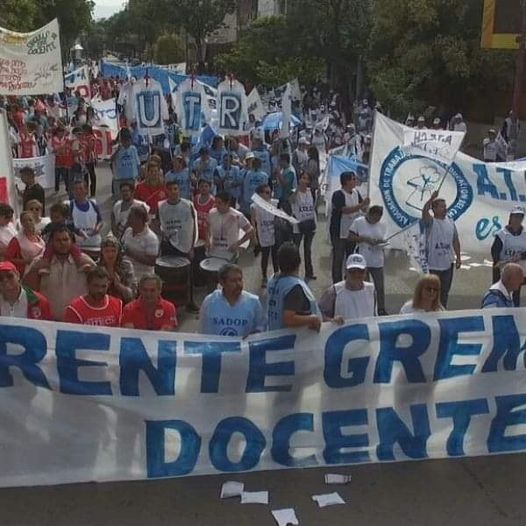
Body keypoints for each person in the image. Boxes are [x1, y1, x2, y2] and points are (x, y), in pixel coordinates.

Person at [24, 226, 95, 321]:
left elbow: (98, 286)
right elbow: (28, 290)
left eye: (65, 239)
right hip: (49, 322)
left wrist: (91, 271)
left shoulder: (85, 261)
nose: (62, 243)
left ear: (71, 241)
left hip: (79, 322)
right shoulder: (39, 262)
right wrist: (35, 269)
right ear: (51, 242)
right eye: (58, 240)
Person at [199, 263, 266, 337]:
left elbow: (261, 328)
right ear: (222, 282)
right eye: (233, 281)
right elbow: (204, 332)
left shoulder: (253, 302)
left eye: (240, 280)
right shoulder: (210, 302)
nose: (238, 284)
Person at [267, 242, 321, 331]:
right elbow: (289, 319)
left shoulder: (273, 279)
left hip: (274, 334)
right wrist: (313, 319)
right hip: (293, 341)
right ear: (299, 261)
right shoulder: (294, 287)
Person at [421, 190, 461, 308]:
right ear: (434, 209)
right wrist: (431, 198)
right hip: (433, 265)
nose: (445, 209)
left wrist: (458, 257)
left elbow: (455, 240)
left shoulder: (450, 222)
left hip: (447, 265)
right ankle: (428, 310)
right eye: (441, 207)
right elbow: (424, 211)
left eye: (445, 206)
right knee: (431, 292)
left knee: (444, 292)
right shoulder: (430, 222)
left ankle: (442, 311)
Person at [330, 171, 369, 283]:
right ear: (346, 181)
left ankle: (349, 280)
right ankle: (337, 283)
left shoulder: (356, 193)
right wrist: (361, 205)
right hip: (339, 232)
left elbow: (363, 209)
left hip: (352, 232)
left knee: (350, 258)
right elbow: (345, 210)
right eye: (353, 179)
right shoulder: (338, 194)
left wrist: (366, 206)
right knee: (338, 259)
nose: (355, 181)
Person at [349, 205, 387, 315]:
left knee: (379, 287)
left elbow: (384, 238)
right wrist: (364, 239)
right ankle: (366, 309)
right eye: (374, 218)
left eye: (378, 218)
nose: (376, 221)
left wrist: (380, 242)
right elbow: (350, 237)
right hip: (363, 259)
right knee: (365, 287)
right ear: (369, 215)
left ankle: (381, 309)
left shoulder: (383, 225)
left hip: (377, 260)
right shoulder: (359, 222)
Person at [319, 253, 376, 323]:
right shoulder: (334, 292)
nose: (356, 275)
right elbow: (318, 314)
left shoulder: (372, 290)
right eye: (352, 271)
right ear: (346, 271)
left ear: (365, 272)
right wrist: (331, 321)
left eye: (360, 271)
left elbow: (375, 317)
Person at [490, 205, 526, 306]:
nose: (517, 219)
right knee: (500, 293)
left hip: (519, 270)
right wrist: (497, 261)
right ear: (510, 217)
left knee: (515, 293)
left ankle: (513, 314)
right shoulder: (502, 234)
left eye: (520, 217)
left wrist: (521, 256)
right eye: (515, 216)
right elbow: (495, 251)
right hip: (503, 270)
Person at [207, 192, 254, 259]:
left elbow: (250, 231)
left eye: (219, 203)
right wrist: (208, 240)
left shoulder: (237, 216)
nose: (216, 205)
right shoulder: (212, 213)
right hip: (214, 252)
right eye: (215, 202)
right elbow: (207, 226)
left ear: (227, 203)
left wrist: (238, 244)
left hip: (230, 253)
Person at [121, 205, 159, 280]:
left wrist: (132, 253)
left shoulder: (151, 238)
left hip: (142, 278)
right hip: (127, 276)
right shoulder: (128, 231)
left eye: (130, 217)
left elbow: (152, 261)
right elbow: (122, 246)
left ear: (139, 219)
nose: (128, 219)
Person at [290, 172, 317, 281]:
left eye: (307, 179)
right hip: (298, 225)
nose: (304, 181)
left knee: (308, 250)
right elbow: (291, 200)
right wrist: (297, 189)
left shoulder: (311, 192)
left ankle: (309, 272)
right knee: (295, 249)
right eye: (302, 178)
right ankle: (293, 272)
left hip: (310, 223)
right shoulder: (294, 192)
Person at [251, 184, 277, 287]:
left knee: (275, 256)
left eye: (270, 192)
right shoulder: (254, 206)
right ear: (260, 194)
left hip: (274, 233)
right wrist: (254, 236)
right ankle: (264, 276)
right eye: (266, 192)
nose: (269, 194)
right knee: (265, 256)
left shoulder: (274, 203)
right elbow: (253, 222)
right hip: (262, 234)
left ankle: (276, 275)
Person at [69, 180, 104, 254]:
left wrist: (97, 228)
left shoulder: (93, 204)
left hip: (95, 243)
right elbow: (68, 224)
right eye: (76, 189)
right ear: (73, 191)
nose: (78, 191)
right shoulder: (70, 206)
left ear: (86, 190)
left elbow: (100, 220)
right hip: (79, 245)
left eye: (81, 188)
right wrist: (78, 232)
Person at [97, 236, 136, 303]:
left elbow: (132, 294)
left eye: (113, 251)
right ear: (102, 252)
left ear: (118, 252)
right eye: (107, 251)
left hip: (123, 304)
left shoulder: (126, 266)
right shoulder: (97, 267)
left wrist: (119, 286)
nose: (110, 254)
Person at [6, 211, 45, 275]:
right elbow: (8, 259)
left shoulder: (39, 237)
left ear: (34, 221)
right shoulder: (17, 240)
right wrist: (26, 261)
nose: (27, 223)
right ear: (21, 223)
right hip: (26, 272)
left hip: (40, 270)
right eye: (24, 221)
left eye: (30, 220)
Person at [111, 128, 141, 199]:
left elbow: (137, 162)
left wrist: (139, 174)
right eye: (125, 141)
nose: (127, 143)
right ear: (121, 141)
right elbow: (111, 159)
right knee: (119, 197)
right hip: (119, 178)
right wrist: (117, 151)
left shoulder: (133, 149)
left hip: (130, 177)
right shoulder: (116, 148)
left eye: (129, 141)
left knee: (130, 197)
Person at [51, 125, 73, 193]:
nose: (61, 133)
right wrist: (59, 148)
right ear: (57, 132)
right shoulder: (53, 139)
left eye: (62, 132)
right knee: (56, 176)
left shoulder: (66, 139)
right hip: (56, 161)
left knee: (65, 176)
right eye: (60, 132)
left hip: (65, 161)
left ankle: (68, 189)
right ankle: (56, 188)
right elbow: (51, 150)